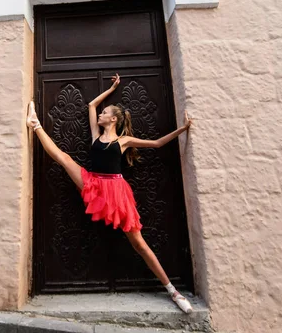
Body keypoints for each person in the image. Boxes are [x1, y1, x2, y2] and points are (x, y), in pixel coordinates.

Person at [26, 73, 194, 313]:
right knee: (64, 159)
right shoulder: (96, 135)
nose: (101, 114)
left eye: (106, 113)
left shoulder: (124, 141)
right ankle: (36, 125)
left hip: (116, 192)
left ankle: (173, 291)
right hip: (94, 184)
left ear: (113, 119)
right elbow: (91, 105)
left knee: (139, 243)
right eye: (103, 113)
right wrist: (112, 87)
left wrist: (183, 129)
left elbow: (156, 143)